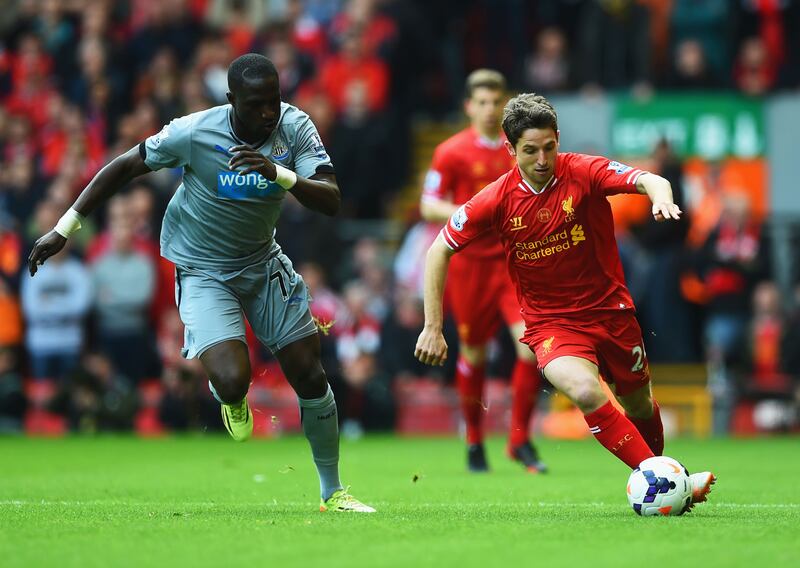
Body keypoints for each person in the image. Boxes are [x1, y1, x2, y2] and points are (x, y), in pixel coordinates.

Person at [28, 53, 374, 513]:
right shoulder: (193, 132)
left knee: (309, 371)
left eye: (274, 100)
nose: (269, 112)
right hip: (202, 267)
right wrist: (63, 228)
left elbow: (331, 199)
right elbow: (124, 167)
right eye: (256, 104)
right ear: (231, 100)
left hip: (260, 259)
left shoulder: (295, 127)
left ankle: (333, 491)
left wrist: (279, 173)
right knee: (233, 380)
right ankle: (230, 399)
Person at [415, 93, 715, 510]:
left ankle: (666, 474)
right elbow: (438, 250)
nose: (542, 159)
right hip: (551, 323)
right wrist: (432, 326)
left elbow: (649, 179)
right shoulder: (498, 198)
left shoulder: (585, 171)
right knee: (583, 389)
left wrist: (660, 197)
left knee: (637, 403)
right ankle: (665, 481)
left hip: (611, 314)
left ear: (558, 139)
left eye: (549, 147)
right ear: (511, 149)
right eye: (530, 151)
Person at [420, 69, 545, 473]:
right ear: (469, 106)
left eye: (497, 102)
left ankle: (520, 440)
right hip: (471, 267)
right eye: (483, 102)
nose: (490, 110)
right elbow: (427, 205)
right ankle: (474, 440)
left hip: (514, 264)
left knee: (531, 350)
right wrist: (472, 213)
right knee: (473, 354)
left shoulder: (519, 150)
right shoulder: (451, 152)